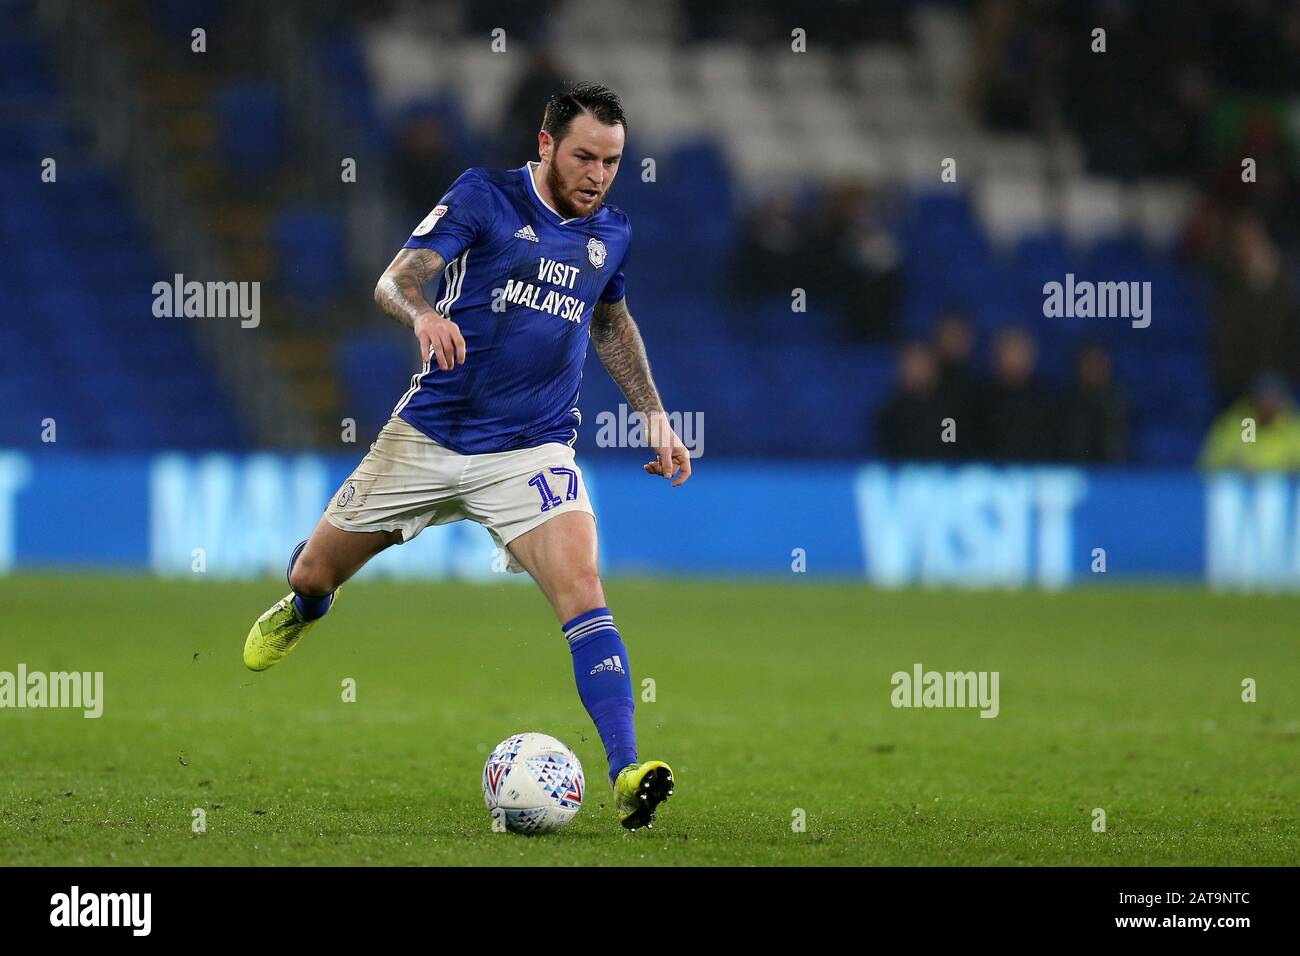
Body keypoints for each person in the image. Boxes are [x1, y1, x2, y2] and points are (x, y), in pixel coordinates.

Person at [241, 83, 690, 831]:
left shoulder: (611, 233)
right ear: (546, 145)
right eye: (585, 156)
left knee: (582, 586)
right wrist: (423, 316)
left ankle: (625, 771)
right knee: (313, 570)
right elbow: (398, 277)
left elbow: (610, 322)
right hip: (430, 436)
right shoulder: (486, 196)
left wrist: (654, 415)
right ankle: (306, 605)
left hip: (532, 449)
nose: (598, 175)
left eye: (612, 161)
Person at [1200, 372, 1300, 471]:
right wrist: (1234, 463)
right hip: (1240, 482)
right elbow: (1210, 461)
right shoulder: (1239, 422)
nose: (1268, 405)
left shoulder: (1292, 423)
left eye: (1273, 398)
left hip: (1283, 483)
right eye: (1263, 398)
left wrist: (1289, 467)